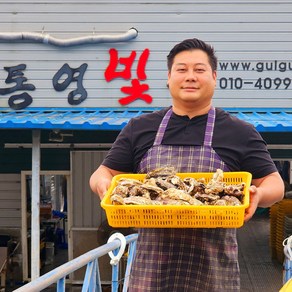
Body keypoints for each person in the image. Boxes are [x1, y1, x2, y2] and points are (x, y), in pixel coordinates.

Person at [89, 38, 284, 291]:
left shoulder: (239, 132)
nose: (190, 77)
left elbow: (274, 184)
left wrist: (257, 195)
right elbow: (104, 173)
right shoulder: (140, 128)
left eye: (199, 70)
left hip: (214, 271)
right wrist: (103, 185)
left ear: (214, 77)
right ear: (169, 77)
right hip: (151, 271)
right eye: (181, 70)